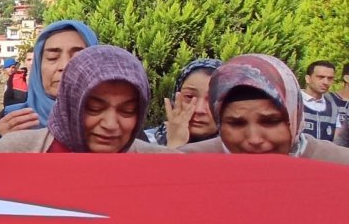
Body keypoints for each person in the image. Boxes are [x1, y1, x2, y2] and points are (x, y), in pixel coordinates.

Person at [0, 46, 173, 154]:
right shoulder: (15, 151)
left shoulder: (160, 166)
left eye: (127, 111)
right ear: (70, 105)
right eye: (94, 108)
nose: (110, 124)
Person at [180, 54, 349, 164]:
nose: (254, 139)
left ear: (294, 118)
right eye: (236, 123)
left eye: (270, 121)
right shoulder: (191, 165)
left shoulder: (337, 164)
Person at [0, 20, 99, 134]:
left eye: (77, 57)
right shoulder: (11, 121)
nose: (64, 66)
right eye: (52, 57)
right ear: (38, 65)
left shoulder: (111, 124)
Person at [147, 58, 222, 148]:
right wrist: (175, 142)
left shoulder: (235, 150)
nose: (199, 110)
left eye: (212, 99)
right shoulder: (144, 145)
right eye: (189, 97)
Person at [300, 60, 343, 143]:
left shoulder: (334, 107)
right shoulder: (294, 101)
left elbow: (337, 139)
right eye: (320, 77)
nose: (326, 82)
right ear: (307, 79)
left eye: (330, 78)